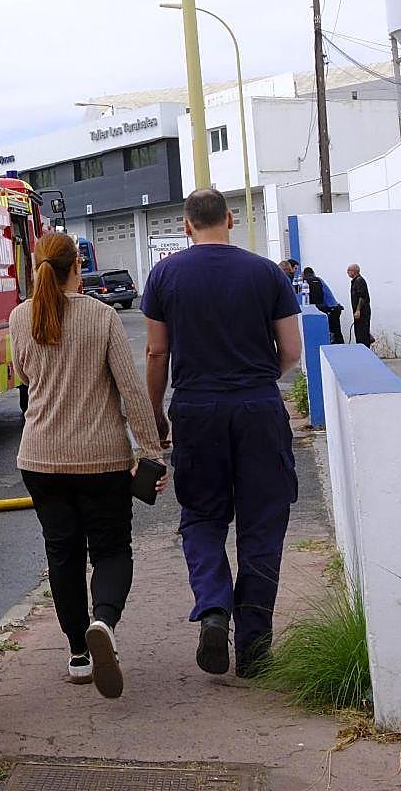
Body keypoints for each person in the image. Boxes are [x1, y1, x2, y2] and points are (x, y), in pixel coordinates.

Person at [142, 188, 303, 678]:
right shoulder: (267, 273)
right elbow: (291, 351)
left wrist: (156, 413)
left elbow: (156, 354)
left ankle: (213, 608)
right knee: (262, 524)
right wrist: (258, 380)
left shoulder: (165, 275)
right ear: (230, 220)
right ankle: (254, 649)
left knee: (202, 517)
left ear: (187, 225)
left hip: (196, 408)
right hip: (257, 406)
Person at [9, 230, 168, 700]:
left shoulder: (20, 318)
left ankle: (79, 654)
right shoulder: (101, 318)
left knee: (62, 553)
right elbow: (131, 391)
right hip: (101, 461)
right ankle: (104, 620)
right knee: (112, 549)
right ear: (77, 266)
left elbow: (24, 376)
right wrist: (151, 454)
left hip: (39, 458)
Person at [301, 266, 344, 345]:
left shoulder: (305, 282)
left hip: (328, 309)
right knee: (336, 332)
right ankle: (342, 349)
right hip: (335, 307)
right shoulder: (319, 280)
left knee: (331, 332)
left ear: (304, 274)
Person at [349, 263, 374, 347]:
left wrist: (358, 310)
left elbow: (362, 297)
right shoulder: (354, 281)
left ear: (354, 271)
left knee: (362, 335)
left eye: (349, 270)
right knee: (359, 333)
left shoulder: (359, 281)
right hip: (358, 314)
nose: (347, 272)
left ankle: (365, 352)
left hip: (362, 313)